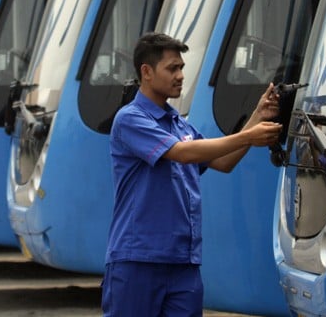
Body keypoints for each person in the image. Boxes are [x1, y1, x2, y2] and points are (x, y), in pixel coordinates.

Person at [101, 32, 282, 317]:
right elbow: (182, 153)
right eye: (172, 68)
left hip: (183, 263)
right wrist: (250, 137)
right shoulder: (130, 118)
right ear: (146, 72)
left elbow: (223, 161)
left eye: (182, 67)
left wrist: (257, 116)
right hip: (138, 260)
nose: (181, 75)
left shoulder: (180, 125)